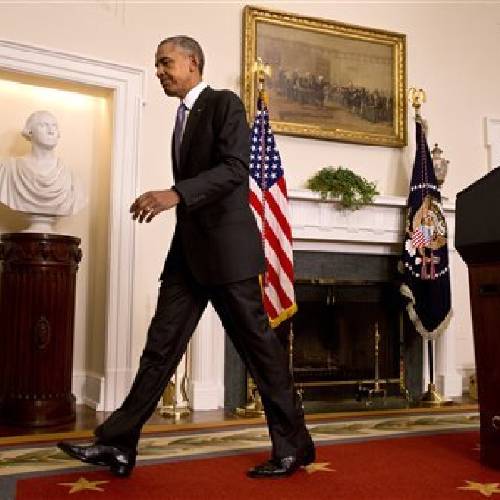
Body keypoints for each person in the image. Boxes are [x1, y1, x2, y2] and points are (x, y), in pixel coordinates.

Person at [58, 35, 314, 479]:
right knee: (159, 350)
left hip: (228, 253)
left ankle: (295, 446)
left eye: (165, 62)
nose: (159, 71)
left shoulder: (224, 103)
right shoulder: (181, 116)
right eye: (156, 64)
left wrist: (173, 194)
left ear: (192, 62)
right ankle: (117, 445)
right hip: (188, 256)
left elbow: (236, 170)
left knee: (259, 351)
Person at [0, 110, 86, 217]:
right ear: (29, 131)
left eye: (54, 126)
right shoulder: (9, 169)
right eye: (43, 125)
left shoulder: (71, 175)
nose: (51, 131)